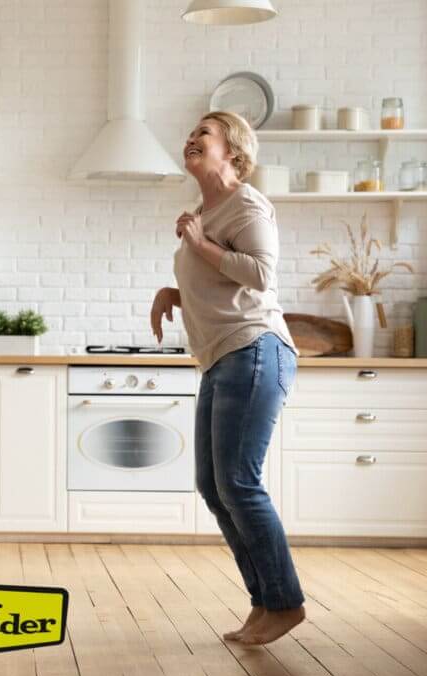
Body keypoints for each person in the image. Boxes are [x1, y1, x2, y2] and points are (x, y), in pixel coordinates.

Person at [150, 111, 305, 646]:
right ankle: (266, 602)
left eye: (205, 134)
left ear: (233, 153)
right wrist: (174, 292)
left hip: (255, 349)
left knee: (237, 481)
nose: (191, 137)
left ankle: (283, 602)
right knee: (214, 486)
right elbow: (220, 278)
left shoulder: (247, 202)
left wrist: (197, 244)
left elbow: (261, 274)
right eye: (190, 132)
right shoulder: (205, 210)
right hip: (223, 357)